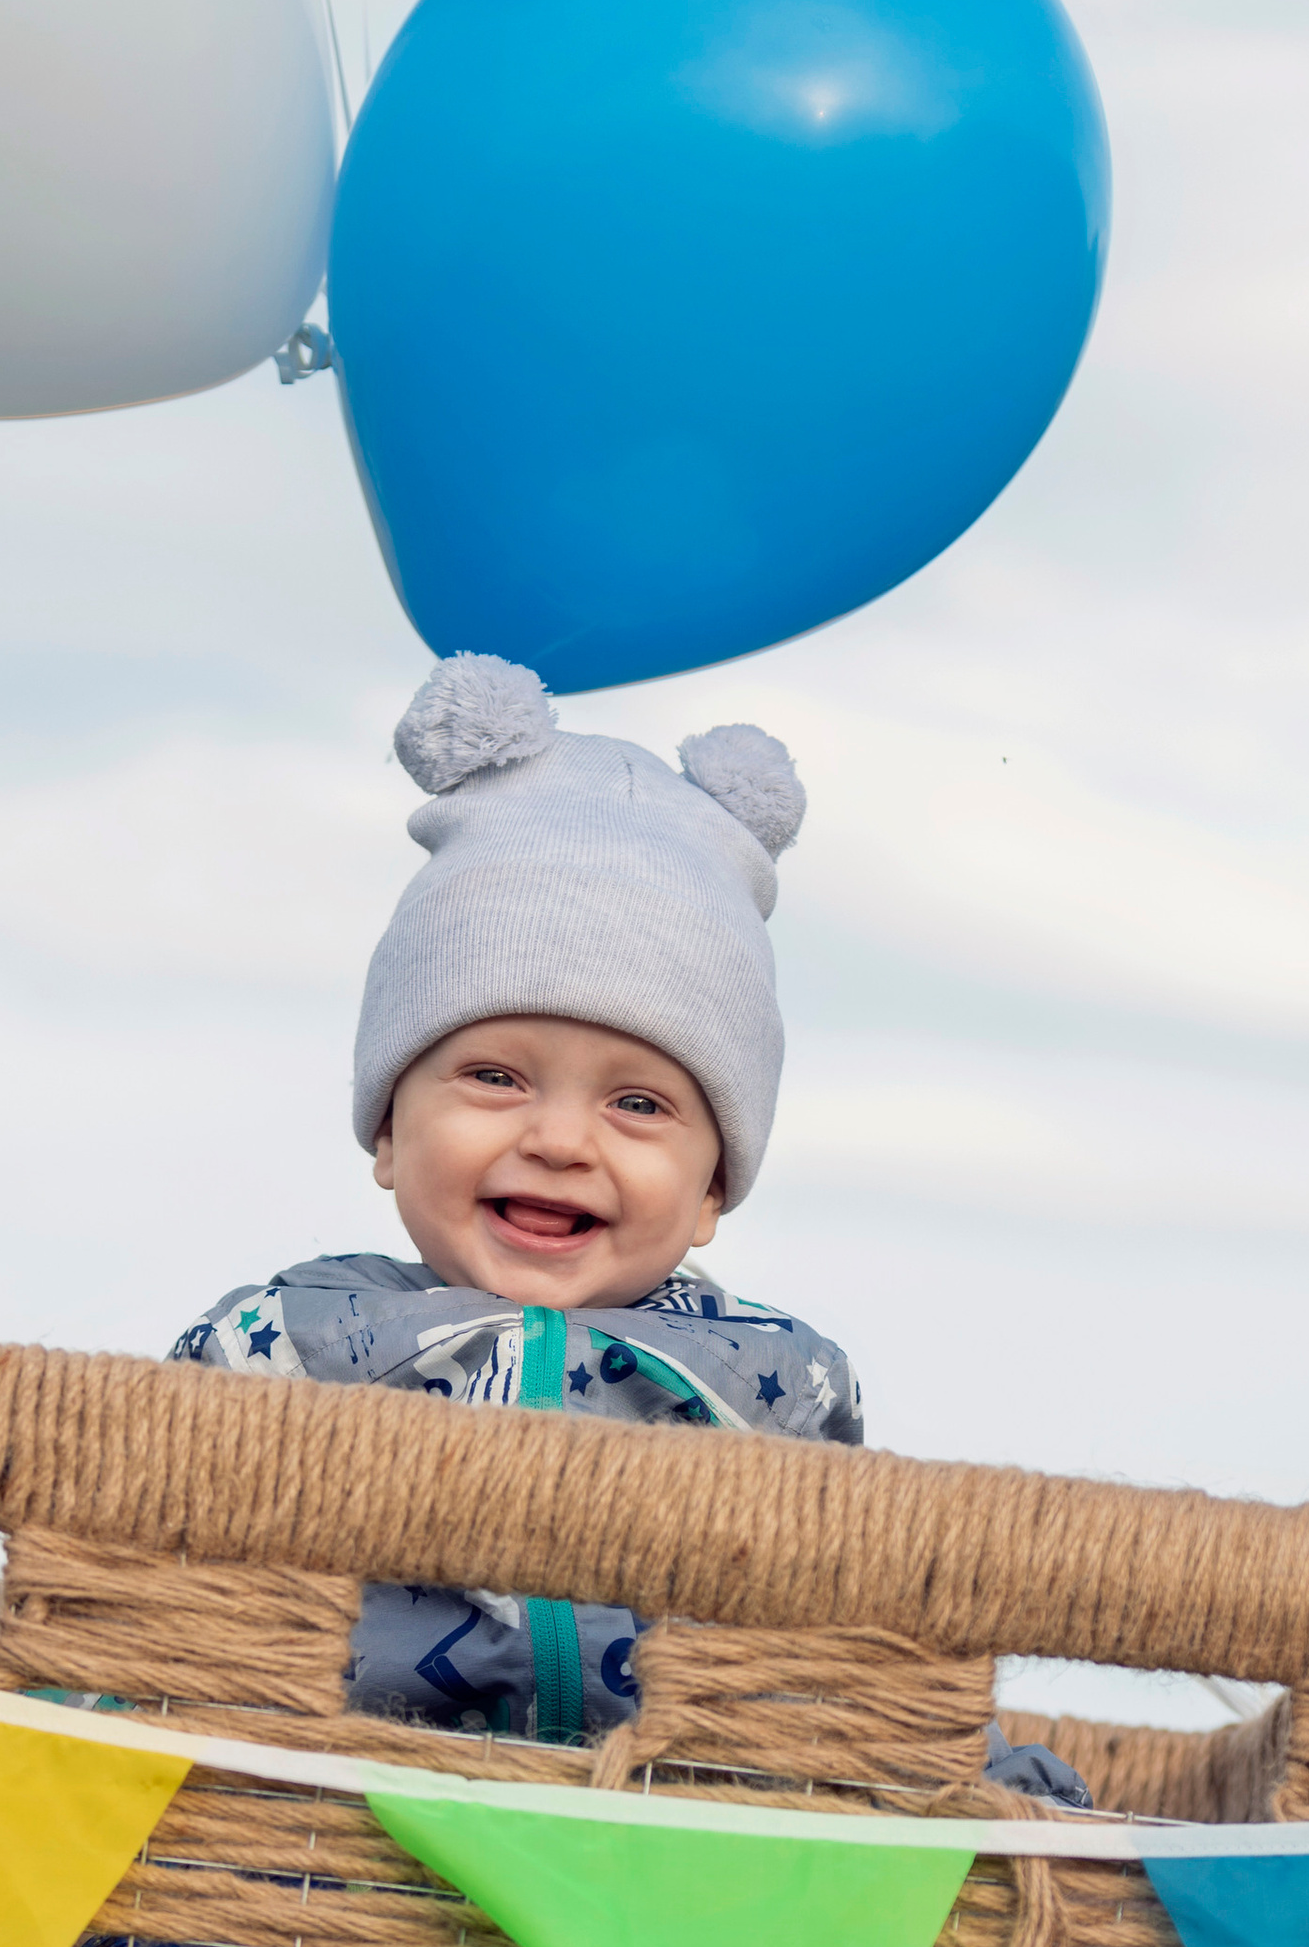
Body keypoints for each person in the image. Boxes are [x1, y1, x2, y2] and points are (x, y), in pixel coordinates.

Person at [174, 651, 1084, 1800]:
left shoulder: (774, 1383)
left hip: (670, 1857)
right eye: (494, 1075)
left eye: (639, 1104)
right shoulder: (287, 1342)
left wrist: (974, 1779)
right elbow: (143, 1591)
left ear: (711, 1192)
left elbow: (865, 1645)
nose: (560, 1139)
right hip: (324, 1836)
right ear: (390, 1130)